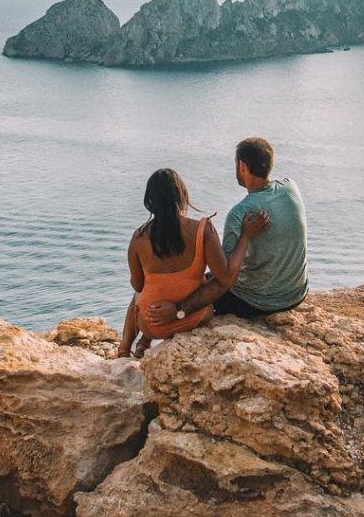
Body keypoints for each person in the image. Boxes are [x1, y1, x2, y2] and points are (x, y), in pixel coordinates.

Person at [146, 137, 308, 327]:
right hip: (297, 293)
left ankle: (153, 329)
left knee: (191, 288)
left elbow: (225, 280)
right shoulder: (291, 187)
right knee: (201, 280)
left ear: (242, 166)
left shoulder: (240, 213)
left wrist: (179, 309)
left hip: (259, 302)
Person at [117, 167, 269, 358]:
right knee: (208, 283)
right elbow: (226, 277)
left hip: (150, 324)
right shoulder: (202, 230)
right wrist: (246, 235)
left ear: (149, 201)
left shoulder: (138, 238)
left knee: (138, 295)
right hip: (192, 317)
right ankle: (140, 344)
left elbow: (138, 285)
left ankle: (125, 349)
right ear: (183, 196)